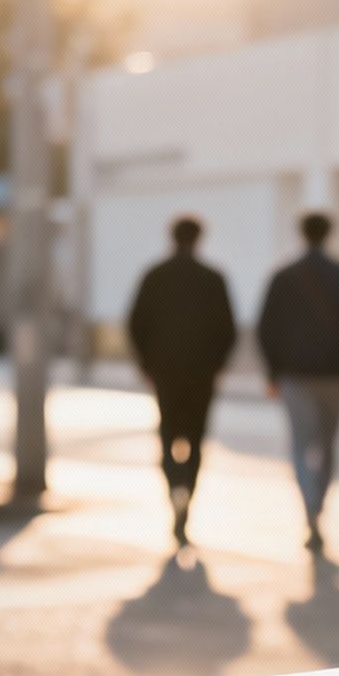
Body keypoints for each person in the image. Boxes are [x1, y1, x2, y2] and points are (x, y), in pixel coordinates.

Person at [257, 211, 339, 552]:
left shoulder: (283, 277)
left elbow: (267, 328)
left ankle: (309, 504)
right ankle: (318, 503)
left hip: (296, 375)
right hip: (335, 374)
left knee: (301, 443)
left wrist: (273, 372)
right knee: (328, 444)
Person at [126, 216, 237, 546]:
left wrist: (147, 363)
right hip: (201, 373)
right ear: (199, 238)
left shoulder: (155, 276)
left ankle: (175, 486)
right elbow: (227, 328)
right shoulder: (213, 279)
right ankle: (187, 491)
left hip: (166, 371)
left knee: (167, 433)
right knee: (196, 438)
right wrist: (217, 364)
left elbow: (136, 322)